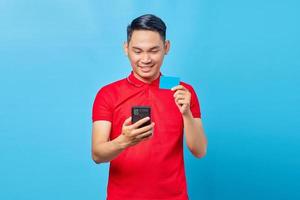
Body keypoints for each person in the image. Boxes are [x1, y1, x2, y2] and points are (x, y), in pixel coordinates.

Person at [91, 14, 207, 200]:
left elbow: (199, 150)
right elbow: (97, 154)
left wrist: (186, 113)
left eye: (153, 50)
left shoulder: (181, 90)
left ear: (166, 47)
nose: (145, 59)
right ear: (126, 48)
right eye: (137, 51)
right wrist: (124, 141)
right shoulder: (108, 93)